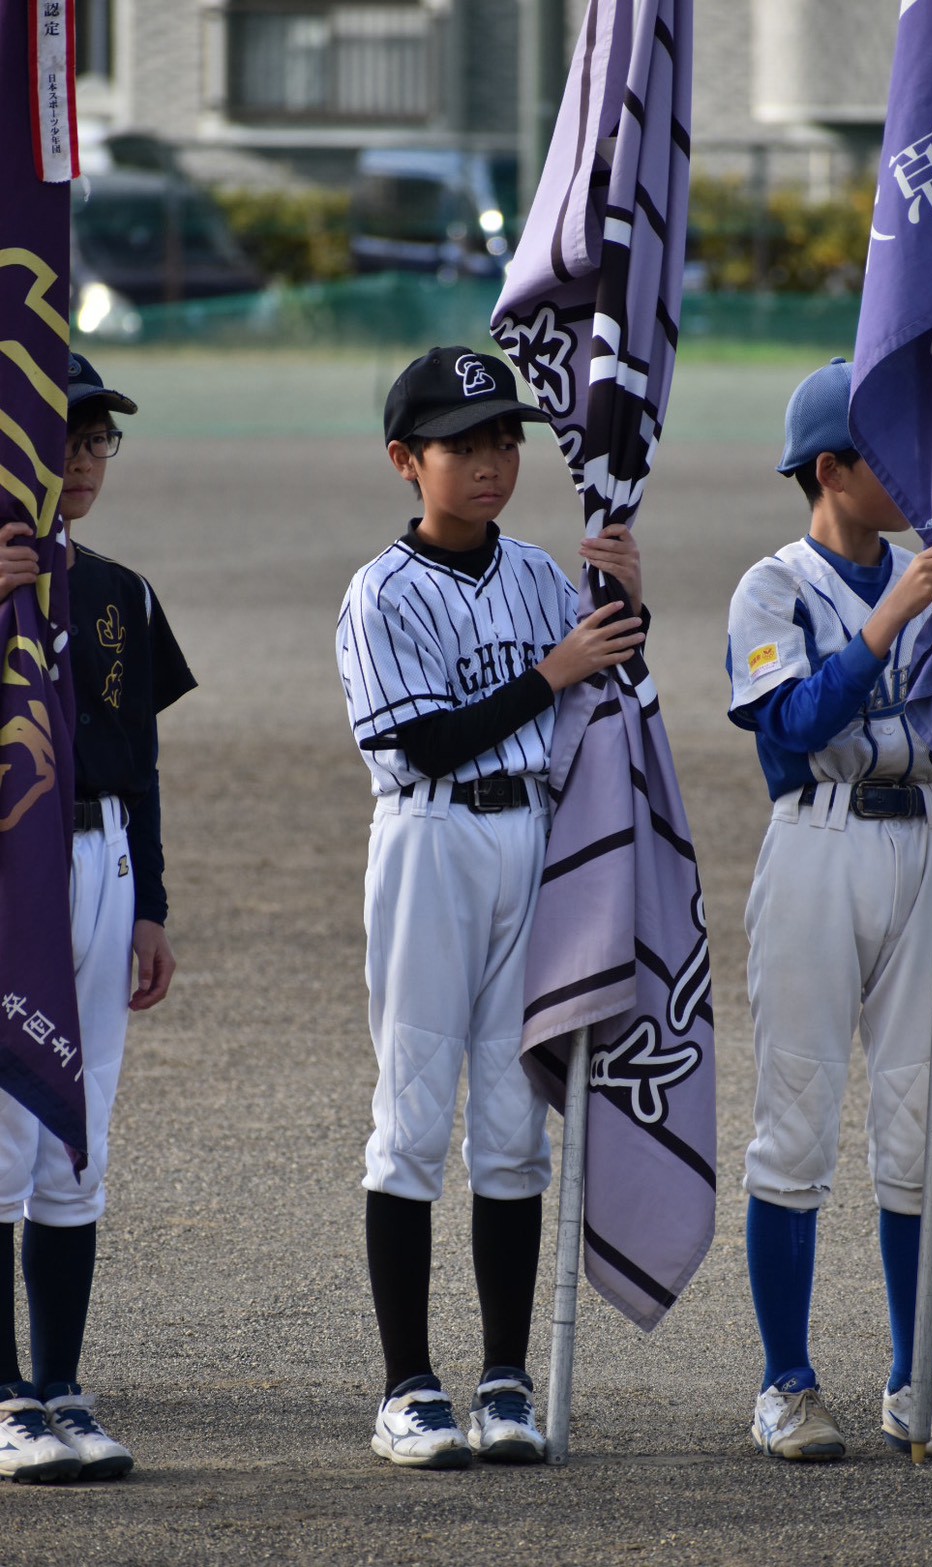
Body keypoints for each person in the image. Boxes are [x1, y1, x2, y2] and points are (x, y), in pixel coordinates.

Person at [336, 345, 646, 1468]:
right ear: (404, 461)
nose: (491, 462)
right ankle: (408, 1388)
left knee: (515, 1127)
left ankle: (504, 1380)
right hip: (430, 840)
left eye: (505, 440)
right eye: (463, 445)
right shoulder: (380, 593)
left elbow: (609, 681)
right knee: (414, 1117)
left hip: (535, 842)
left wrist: (627, 604)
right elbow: (423, 741)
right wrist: (552, 670)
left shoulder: (537, 575)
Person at [726, 357, 932, 1463]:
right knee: (793, 1126)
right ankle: (785, 1385)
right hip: (818, 840)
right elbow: (791, 723)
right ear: (829, 470)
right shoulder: (774, 585)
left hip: (924, 846)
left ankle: (914, 1381)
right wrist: (891, 617)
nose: (910, 473)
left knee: (919, 1130)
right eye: (884, 453)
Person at [0, 352, 196, 1482]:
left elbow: (141, 760)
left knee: (79, 1132)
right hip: (13, 861)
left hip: (103, 855)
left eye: (95, 439)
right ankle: (4, 1394)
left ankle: (62, 1383)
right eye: (61, 436)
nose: (80, 459)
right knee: (4, 1125)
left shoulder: (121, 592)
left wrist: (150, 905)